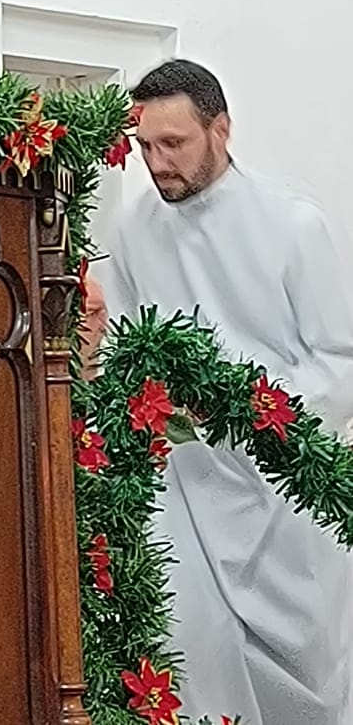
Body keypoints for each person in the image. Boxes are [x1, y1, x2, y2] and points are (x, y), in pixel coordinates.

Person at [93, 59, 353, 725]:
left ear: (221, 130)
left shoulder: (292, 225)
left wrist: (246, 413)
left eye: (173, 143)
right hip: (183, 484)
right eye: (145, 146)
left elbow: (338, 362)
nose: (157, 163)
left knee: (311, 684)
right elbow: (125, 346)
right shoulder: (131, 230)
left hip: (281, 488)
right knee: (190, 658)